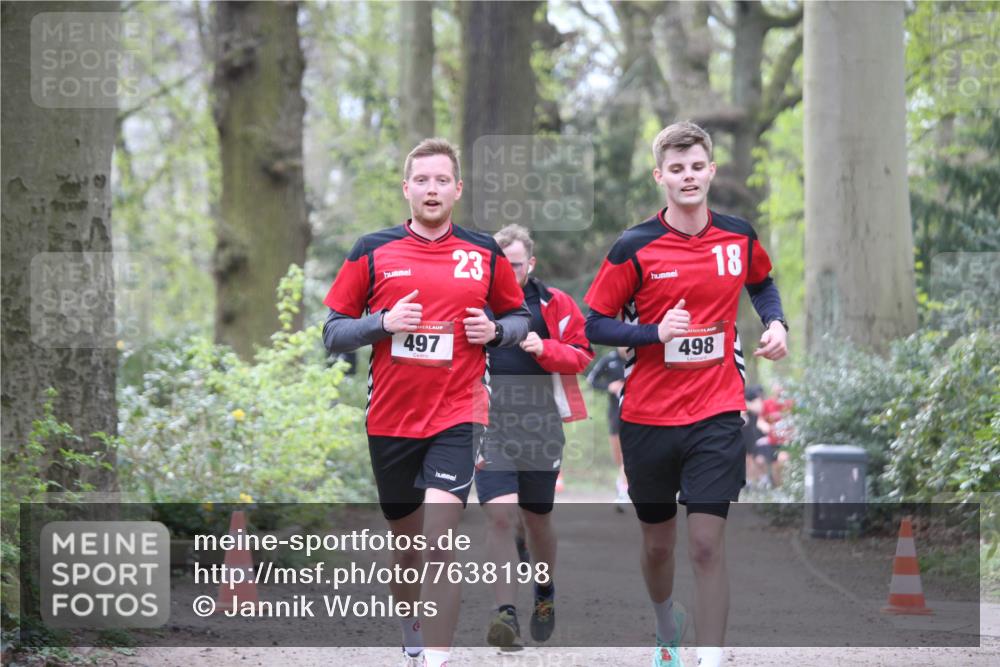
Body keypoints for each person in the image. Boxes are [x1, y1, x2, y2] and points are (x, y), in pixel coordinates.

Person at [583, 121, 788, 667]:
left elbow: (762, 283)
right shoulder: (634, 245)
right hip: (647, 416)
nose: (688, 176)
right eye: (677, 169)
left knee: (705, 543)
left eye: (697, 166)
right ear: (661, 177)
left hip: (717, 410)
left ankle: (712, 657)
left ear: (711, 171)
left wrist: (776, 324)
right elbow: (593, 322)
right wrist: (654, 333)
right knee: (658, 546)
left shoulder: (737, 236)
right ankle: (665, 624)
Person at [322, 138, 531, 667]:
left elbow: (519, 317)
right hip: (391, 418)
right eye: (422, 180)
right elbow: (333, 332)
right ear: (406, 189)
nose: (432, 189)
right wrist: (382, 323)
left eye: (441, 180)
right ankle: (411, 626)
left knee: (440, 540)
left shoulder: (482, 252)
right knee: (408, 547)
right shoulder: (373, 250)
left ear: (457, 189)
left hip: (459, 412)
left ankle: (436, 659)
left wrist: (496, 331)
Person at [474, 224, 593, 649]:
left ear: (532, 264)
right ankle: (505, 613)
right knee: (500, 516)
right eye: (502, 266)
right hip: (489, 425)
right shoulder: (476, 304)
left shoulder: (554, 304)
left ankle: (544, 589)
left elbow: (583, 354)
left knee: (537, 518)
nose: (510, 273)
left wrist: (546, 349)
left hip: (541, 426)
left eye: (517, 265)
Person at [586, 347, 630, 509]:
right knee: (619, 458)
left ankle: (623, 493)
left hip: (635, 414)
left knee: (627, 456)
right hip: (614, 414)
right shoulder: (609, 360)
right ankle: (622, 483)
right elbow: (591, 380)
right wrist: (609, 386)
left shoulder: (639, 357)